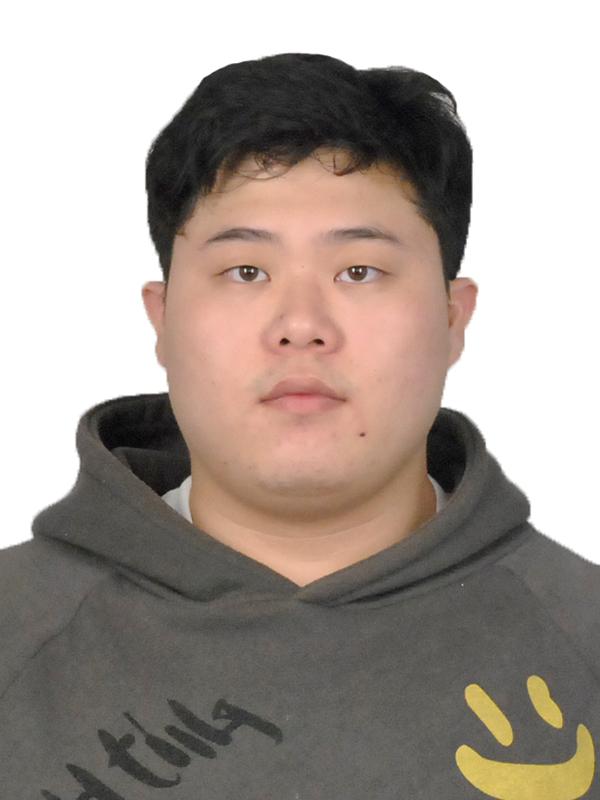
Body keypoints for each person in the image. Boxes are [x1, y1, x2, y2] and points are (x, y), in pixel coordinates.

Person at [1, 53, 598, 799]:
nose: (301, 325)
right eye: (246, 272)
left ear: (453, 319)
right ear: (163, 319)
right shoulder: (15, 634)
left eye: (359, 272)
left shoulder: (583, 636)